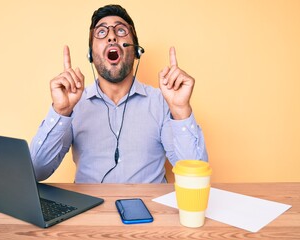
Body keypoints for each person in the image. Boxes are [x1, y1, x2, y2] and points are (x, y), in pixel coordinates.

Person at [30, 4, 208, 183]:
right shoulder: (73, 105)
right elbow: (35, 172)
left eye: (121, 30)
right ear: (91, 55)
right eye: (101, 32)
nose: (112, 36)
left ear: (137, 50)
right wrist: (60, 111)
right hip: (91, 210)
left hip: (149, 210)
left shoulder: (161, 102)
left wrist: (181, 110)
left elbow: (196, 178)